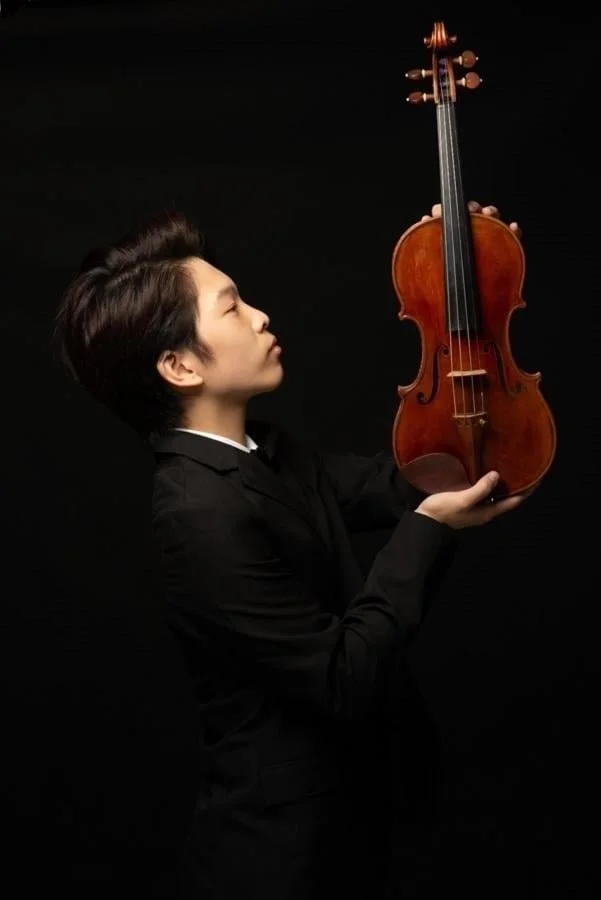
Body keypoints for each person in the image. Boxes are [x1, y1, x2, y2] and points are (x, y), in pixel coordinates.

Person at [53, 200, 528, 899]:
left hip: (359, 820)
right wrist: (434, 528)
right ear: (180, 365)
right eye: (232, 308)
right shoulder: (197, 515)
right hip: (285, 859)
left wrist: (470, 272)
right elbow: (340, 676)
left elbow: (402, 483)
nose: (260, 316)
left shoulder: (262, 453)